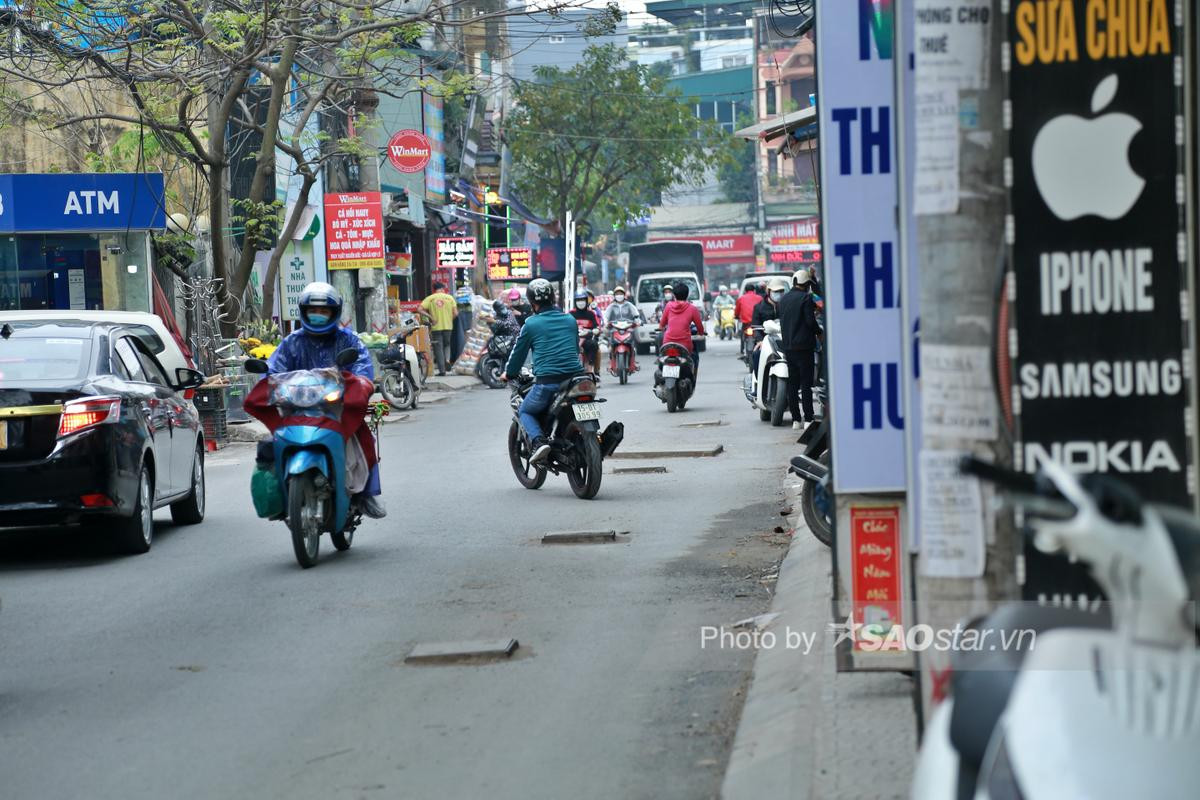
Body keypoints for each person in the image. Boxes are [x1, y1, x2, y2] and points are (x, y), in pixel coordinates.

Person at [267, 282, 386, 518]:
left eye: (324, 311)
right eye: (313, 310)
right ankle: (278, 496)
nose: (318, 315)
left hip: (336, 407)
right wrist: (268, 383)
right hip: (297, 407)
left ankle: (366, 495)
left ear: (334, 313)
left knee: (364, 439)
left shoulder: (348, 340)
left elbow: (363, 367)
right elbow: (273, 369)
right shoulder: (292, 342)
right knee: (269, 445)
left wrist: (362, 385)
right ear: (303, 311)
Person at [503, 279, 584, 464]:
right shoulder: (570, 320)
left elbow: (517, 355)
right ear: (553, 298)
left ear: (532, 303)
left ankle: (539, 442)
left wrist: (508, 373)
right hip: (577, 379)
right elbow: (574, 348)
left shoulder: (531, 324)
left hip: (549, 382)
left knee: (525, 411)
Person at [778, 269, 821, 428]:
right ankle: (808, 419)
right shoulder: (806, 298)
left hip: (789, 347)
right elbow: (810, 321)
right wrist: (819, 332)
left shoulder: (783, 300)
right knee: (805, 384)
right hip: (804, 348)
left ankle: (796, 420)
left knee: (793, 384)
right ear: (807, 284)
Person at [658, 281, 705, 377]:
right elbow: (700, 327)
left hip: (668, 343)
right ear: (687, 295)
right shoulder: (692, 309)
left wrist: (662, 328)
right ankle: (692, 377)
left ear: (674, 295)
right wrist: (701, 332)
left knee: (662, 358)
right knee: (694, 356)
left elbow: (661, 325)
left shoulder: (668, 306)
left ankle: (660, 374)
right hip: (685, 344)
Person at [419, 282, 458, 375]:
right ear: (442, 289)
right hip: (448, 326)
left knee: (438, 348)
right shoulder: (450, 298)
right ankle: (448, 360)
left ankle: (442, 370)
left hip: (436, 327)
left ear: (434, 290)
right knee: (447, 345)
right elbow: (456, 313)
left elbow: (419, 309)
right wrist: (449, 319)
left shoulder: (430, 298)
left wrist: (431, 317)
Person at [604, 285, 645, 372]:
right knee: (611, 345)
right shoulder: (611, 306)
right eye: (617, 294)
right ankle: (611, 362)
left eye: (621, 293)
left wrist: (638, 321)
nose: (619, 295)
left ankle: (633, 361)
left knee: (632, 344)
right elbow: (606, 316)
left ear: (624, 295)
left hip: (628, 328)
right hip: (614, 329)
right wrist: (604, 322)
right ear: (614, 296)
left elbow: (636, 314)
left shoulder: (629, 305)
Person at [750, 278, 787, 374]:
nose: (779, 294)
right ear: (768, 291)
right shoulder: (759, 307)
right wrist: (760, 340)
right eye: (776, 291)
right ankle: (758, 386)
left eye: (781, 291)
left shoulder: (786, 306)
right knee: (757, 354)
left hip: (785, 340)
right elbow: (755, 327)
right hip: (765, 341)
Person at [570, 289, 602, 374]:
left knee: (594, 346)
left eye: (582, 300)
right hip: (574, 339)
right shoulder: (570, 314)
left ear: (586, 301)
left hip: (587, 339)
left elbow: (597, 326)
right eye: (578, 300)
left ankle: (593, 370)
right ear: (575, 301)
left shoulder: (591, 313)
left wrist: (595, 330)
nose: (581, 302)